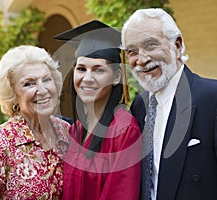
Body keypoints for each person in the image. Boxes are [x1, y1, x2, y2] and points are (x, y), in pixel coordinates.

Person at [121, 8, 217, 200]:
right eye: (132, 51)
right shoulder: (140, 106)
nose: (141, 59)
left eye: (151, 45)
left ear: (177, 46)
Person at [54, 20, 142, 200]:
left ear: (117, 76)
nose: (87, 78)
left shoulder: (124, 131)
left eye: (98, 70)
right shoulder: (76, 130)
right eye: (81, 69)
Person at [0, 45, 70, 199]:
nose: (42, 90)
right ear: (12, 94)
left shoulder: (65, 131)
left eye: (47, 79)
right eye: (29, 83)